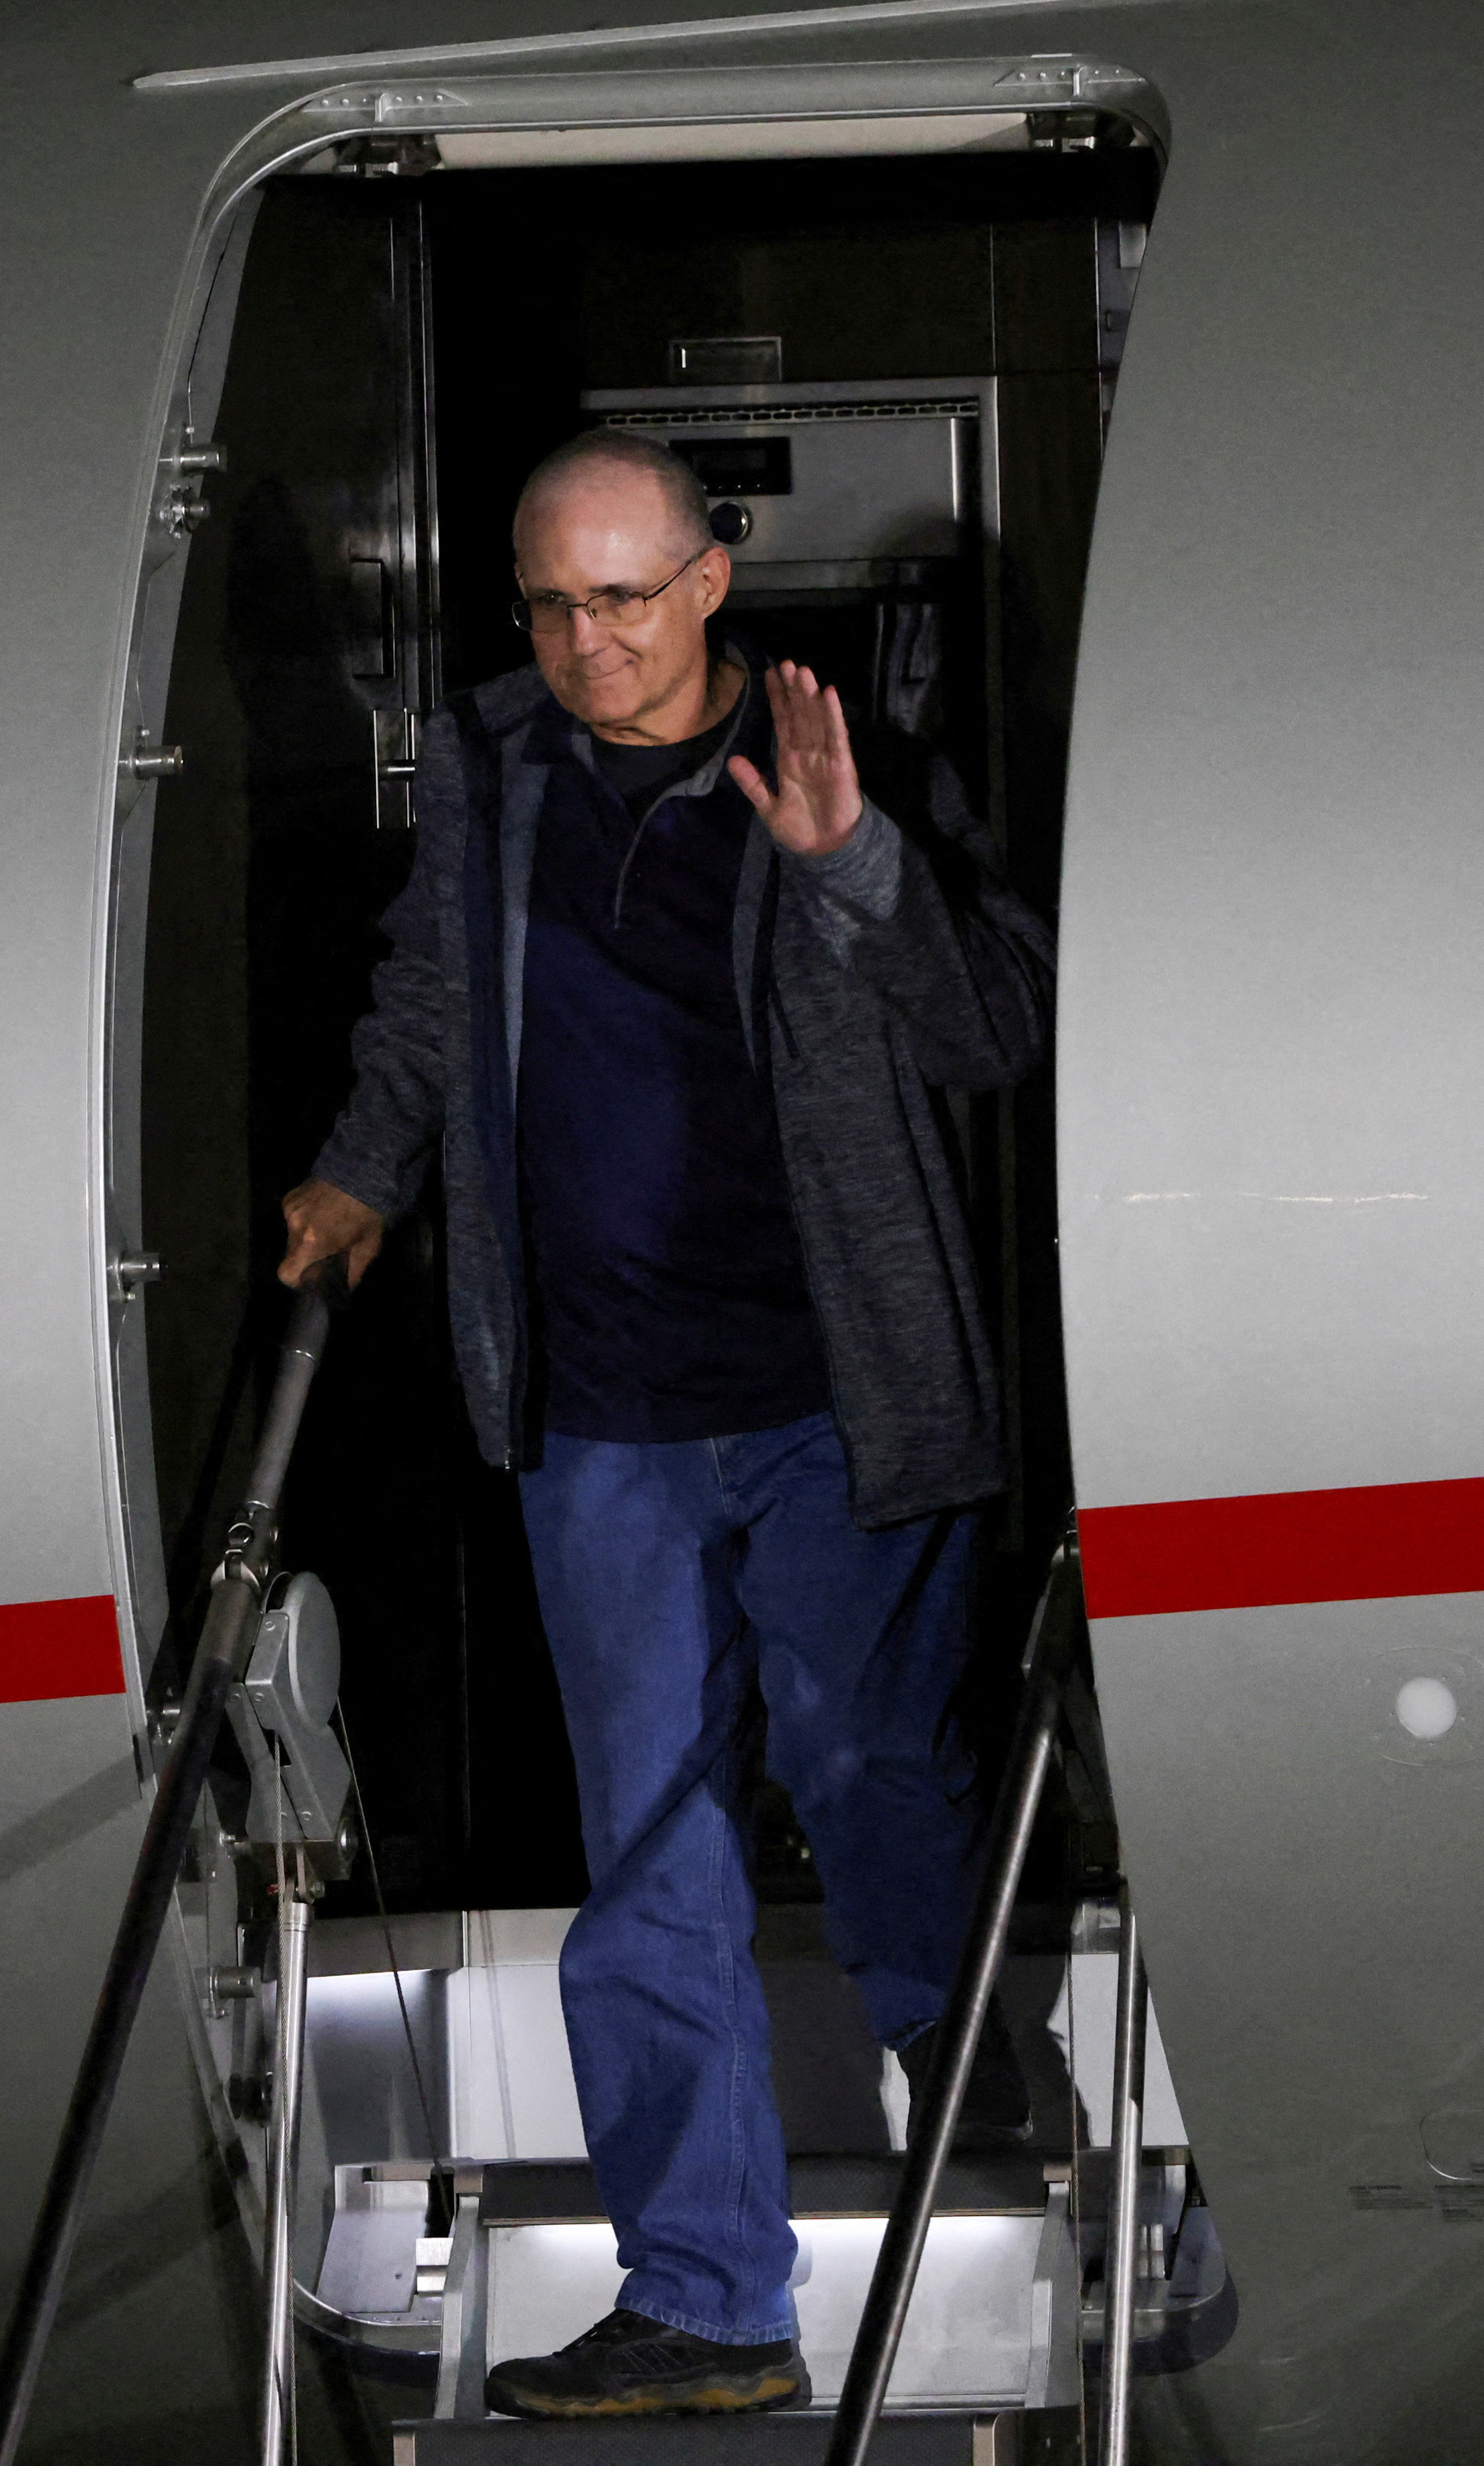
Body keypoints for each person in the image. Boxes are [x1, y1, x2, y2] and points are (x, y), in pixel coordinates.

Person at [278, 427, 1051, 2421]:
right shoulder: (494, 767)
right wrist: (363, 1170)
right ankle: (707, 2300)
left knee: (874, 1774)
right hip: (603, 1415)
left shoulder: (840, 745)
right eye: (545, 602)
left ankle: (991, 2121)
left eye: (617, 598)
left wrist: (847, 863)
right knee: (650, 1855)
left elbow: (992, 1025)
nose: (580, 640)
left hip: (833, 1400)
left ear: (709, 580)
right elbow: (430, 1009)